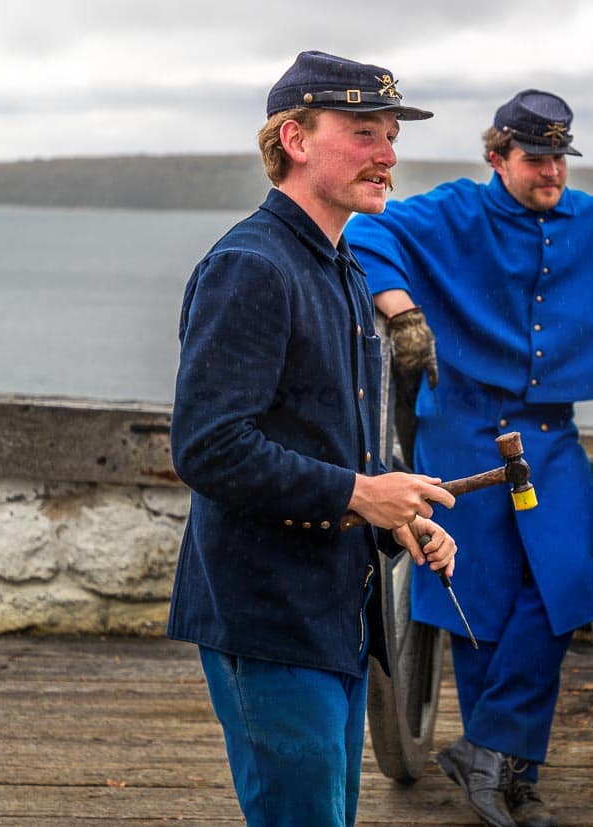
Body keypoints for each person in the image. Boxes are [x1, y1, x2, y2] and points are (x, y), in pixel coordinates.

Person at [347, 89, 593, 827]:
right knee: (481, 602)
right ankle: (513, 779)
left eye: (559, 159)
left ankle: (486, 749)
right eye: (536, 158)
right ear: (496, 157)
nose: (551, 174)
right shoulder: (451, 213)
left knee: (563, 587)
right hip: (462, 433)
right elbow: (363, 234)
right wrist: (402, 312)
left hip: (547, 439)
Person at [166, 50, 458, 827]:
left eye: (390, 135)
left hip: (334, 613)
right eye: (364, 132)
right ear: (295, 139)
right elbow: (208, 445)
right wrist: (363, 493)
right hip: (267, 620)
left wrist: (395, 513)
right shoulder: (250, 267)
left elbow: (332, 440)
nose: (388, 155)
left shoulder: (345, 269)